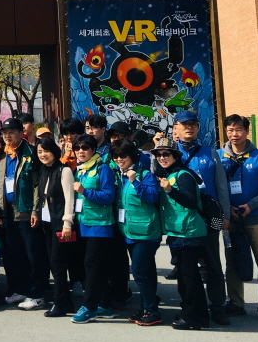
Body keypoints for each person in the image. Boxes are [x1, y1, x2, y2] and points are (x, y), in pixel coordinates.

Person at [219, 114, 258, 323]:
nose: (234, 134)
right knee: (232, 263)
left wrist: (250, 205)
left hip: (257, 219)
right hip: (231, 221)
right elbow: (216, 187)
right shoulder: (219, 156)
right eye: (230, 130)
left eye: (238, 130)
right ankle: (236, 303)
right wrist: (227, 210)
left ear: (247, 132)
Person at [173, 109, 230, 325]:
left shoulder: (210, 153)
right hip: (180, 221)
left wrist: (224, 213)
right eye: (184, 124)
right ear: (175, 129)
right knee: (184, 267)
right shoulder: (167, 154)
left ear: (198, 128)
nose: (189, 127)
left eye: (193, 124)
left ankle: (217, 306)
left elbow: (221, 186)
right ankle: (190, 305)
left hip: (207, 218)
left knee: (213, 264)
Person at [0, 118, 46, 309]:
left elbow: (37, 185)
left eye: (11, 132)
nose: (7, 136)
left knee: (33, 254)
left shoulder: (30, 153)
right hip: (8, 214)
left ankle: (37, 294)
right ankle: (19, 290)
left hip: (26, 212)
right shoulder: (3, 156)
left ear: (21, 132)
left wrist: (35, 210)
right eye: (4, 132)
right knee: (13, 255)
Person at [154, 141, 209, 330]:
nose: (162, 157)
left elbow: (191, 202)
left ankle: (192, 316)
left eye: (166, 154)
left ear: (176, 156)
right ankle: (197, 314)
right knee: (186, 275)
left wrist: (170, 190)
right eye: (159, 154)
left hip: (189, 232)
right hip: (178, 232)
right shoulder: (169, 174)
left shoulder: (183, 175)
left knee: (189, 277)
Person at [111, 140, 162, 326]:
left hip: (146, 232)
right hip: (129, 231)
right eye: (115, 156)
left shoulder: (144, 174)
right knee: (146, 271)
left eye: (122, 156)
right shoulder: (120, 175)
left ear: (132, 156)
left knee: (139, 271)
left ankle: (152, 310)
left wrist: (135, 181)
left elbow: (151, 196)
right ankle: (147, 306)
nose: (119, 159)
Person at [71, 134, 117, 323]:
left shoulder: (102, 168)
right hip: (83, 224)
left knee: (91, 266)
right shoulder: (79, 170)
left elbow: (108, 196)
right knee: (96, 266)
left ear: (93, 150)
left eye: (85, 148)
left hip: (99, 225)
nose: (81, 151)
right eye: (78, 148)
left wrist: (85, 191)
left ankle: (89, 306)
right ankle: (104, 304)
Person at [35, 136, 76, 317]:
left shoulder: (64, 170)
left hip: (60, 222)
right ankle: (65, 301)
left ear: (54, 151)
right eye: (40, 152)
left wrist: (67, 223)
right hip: (47, 222)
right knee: (53, 262)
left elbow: (69, 198)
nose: (43, 155)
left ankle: (60, 302)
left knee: (58, 263)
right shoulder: (44, 170)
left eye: (46, 151)